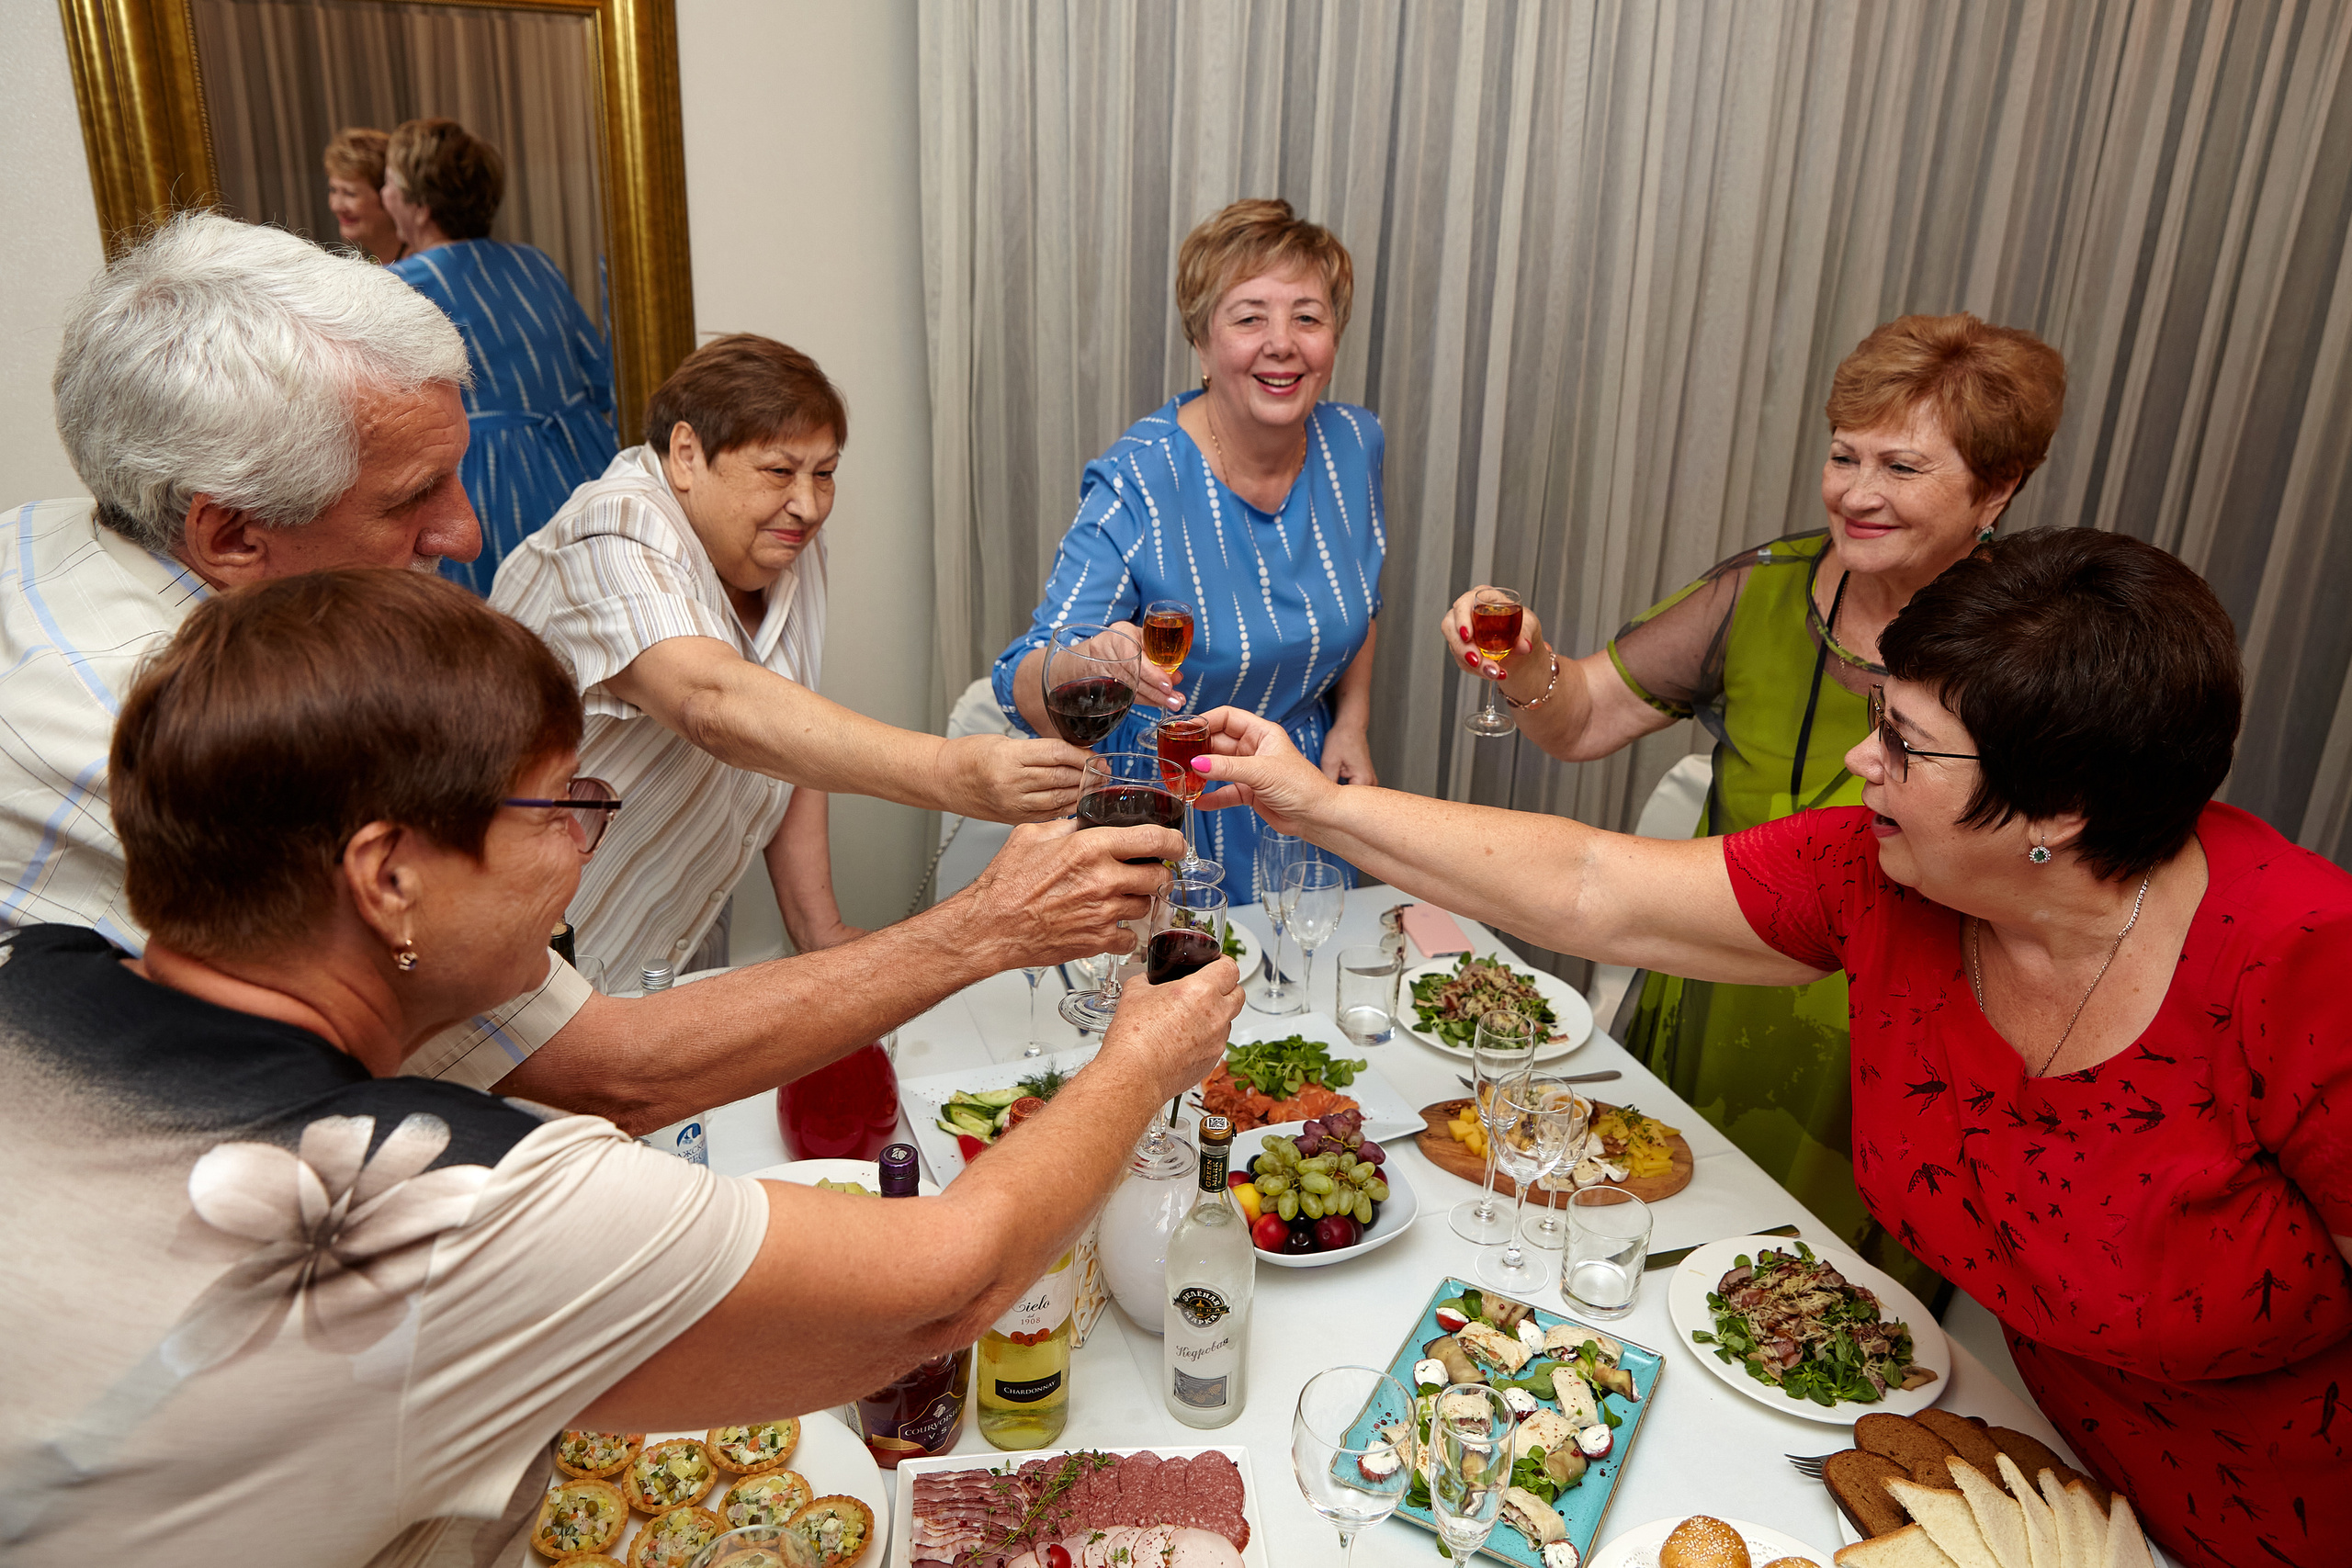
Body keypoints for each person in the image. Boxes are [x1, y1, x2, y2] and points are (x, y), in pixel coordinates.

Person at [0, 567, 1241, 1564]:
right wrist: (1140, 1060)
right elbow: (946, 1286)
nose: (584, 846)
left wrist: (985, 930)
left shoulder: (33, 974)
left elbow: (620, 1062)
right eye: (558, 808)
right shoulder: (446, 1205)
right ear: (389, 879)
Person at [1199, 528, 2349, 1568]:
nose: (1861, 765)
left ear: (2059, 809)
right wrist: (1315, 804)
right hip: (2034, 1483)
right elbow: (1594, 886)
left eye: (1906, 746)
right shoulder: (1884, 872)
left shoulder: (2310, 970)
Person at [3, 210, 1153, 1135]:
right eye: (409, 500)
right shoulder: (176, 736)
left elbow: (778, 728)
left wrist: (828, 930)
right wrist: (984, 925)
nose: (467, 533)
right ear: (229, 535)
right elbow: (605, 1062)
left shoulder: (63, 538)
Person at [1439, 312, 2064, 1296]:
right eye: (1842, 456)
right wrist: (1527, 666)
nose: (1856, 493)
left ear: (1996, 488)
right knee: (1653, 1265)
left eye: (1900, 468)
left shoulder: (2035, 646)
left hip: (1900, 1030)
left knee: (1823, 1322)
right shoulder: (1764, 593)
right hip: (1719, 984)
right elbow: (1583, 717)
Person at [494, 334, 1096, 979]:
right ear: (687, 454)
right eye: (780, 472)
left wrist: (817, 926)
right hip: (525, 943)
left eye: (826, 473)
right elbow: (714, 704)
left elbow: (791, 730)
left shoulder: (784, 544)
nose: (808, 506)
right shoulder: (614, 525)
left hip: (667, 945)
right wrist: (953, 770)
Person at [992, 197, 1385, 891]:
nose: (1282, 342)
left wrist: (1351, 723)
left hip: (1301, 803)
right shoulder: (1138, 477)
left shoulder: (1353, 443)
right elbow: (1022, 677)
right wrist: (1089, 660)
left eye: (1307, 316)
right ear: (1201, 342)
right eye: (1249, 316)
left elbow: (1362, 603)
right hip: (1165, 813)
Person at [382, 117, 618, 594]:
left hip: (489, 483)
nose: (384, 193)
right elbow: (598, 375)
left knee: (507, 621)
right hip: (587, 462)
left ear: (420, 206)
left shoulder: (403, 287)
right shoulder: (533, 261)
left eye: (388, 181)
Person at [322, 126, 404, 264]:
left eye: (350, 194)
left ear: (388, 195)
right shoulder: (376, 264)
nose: (336, 206)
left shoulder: (417, 272)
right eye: (333, 190)